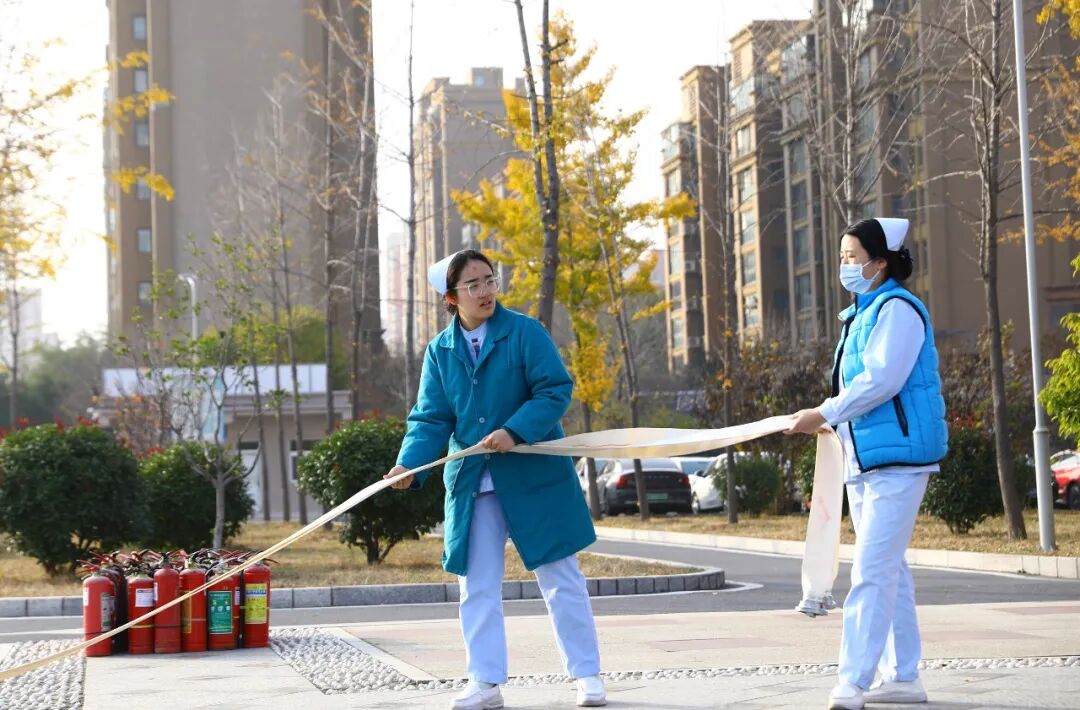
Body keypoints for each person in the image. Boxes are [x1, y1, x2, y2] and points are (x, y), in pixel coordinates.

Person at [385, 249, 606, 709]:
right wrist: (407, 464)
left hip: (534, 478)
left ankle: (586, 674)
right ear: (451, 298)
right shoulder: (439, 352)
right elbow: (430, 417)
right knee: (477, 585)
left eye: (490, 280)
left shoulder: (526, 332)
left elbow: (554, 389)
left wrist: (513, 430)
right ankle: (485, 683)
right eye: (473, 285)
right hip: (474, 485)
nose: (485, 291)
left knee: (561, 578)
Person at [787, 218, 948, 710]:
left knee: (872, 570)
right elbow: (855, 391)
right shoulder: (861, 313)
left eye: (852, 257)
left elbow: (882, 381)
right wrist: (829, 420)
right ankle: (902, 675)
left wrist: (826, 411)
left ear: (880, 263)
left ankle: (853, 681)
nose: (844, 266)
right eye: (841, 257)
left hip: (899, 460)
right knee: (889, 568)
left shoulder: (897, 310)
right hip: (868, 459)